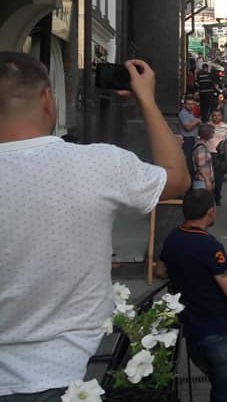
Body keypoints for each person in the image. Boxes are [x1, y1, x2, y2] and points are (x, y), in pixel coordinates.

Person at [0, 53, 189, 400]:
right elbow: (177, 179)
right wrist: (147, 101)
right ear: (47, 99)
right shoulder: (97, 164)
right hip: (76, 377)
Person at [156, 189, 227, 402]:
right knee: (226, 393)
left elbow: (160, 271)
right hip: (222, 332)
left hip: (194, 332)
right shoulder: (210, 245)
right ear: (210, 212)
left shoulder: (173, 237)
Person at [191, 124, 215, 191]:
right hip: (202, 182)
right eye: (212, 132)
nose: (213, 133)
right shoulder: (201, 147)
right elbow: (201, 166)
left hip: (203, 182)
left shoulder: (203, 145)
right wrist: (207, 181)